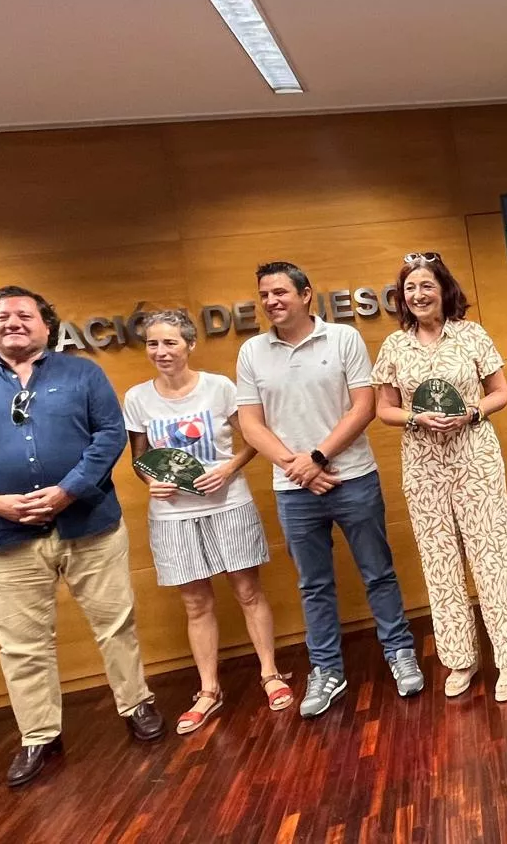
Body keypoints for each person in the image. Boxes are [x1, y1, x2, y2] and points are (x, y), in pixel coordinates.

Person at [0, 286, 163, 788]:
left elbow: (109, 436)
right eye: (1, 316)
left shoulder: (83, 374)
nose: (12, 322)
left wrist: (69, 490)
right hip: (4, 538)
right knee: (21, 646)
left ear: (46, 325)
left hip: (89, 527)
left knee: (116, 625)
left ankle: (136, 704)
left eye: (24, 314)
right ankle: (39, 735)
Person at [235, 261, 424, 717]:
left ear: (305, 295)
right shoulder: (252, 352)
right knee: (313, 585)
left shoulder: (343, 338)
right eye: (264, 295)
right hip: (293, 489)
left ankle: (400, 652)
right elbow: (250, 423)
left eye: (280, 292)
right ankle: (326, 670)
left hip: (353, 478)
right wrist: (297, 467)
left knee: (378, 572)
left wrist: (317, 457)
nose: (271, 301)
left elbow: (364, 407)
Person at [370, 253, 507, 702]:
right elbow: (384, 409)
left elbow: (500, 392)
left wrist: (472, 412)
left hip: (475, 457)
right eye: (410, 288)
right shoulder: (394, 346)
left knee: (492, 554)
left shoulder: (472, 335)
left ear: (444, 290)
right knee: (439, 560)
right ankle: (460, 659)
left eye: (426, 285)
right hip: (423, 465)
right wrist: (415, 418)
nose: (418, 295)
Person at [122, 309, 293, 734]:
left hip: (228, 504)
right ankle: (209, 690)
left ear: (190, 344)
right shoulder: (137, 398)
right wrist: (151, 481)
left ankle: (270, 673)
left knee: (248, 591)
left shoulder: (220, 387)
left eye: (170, 342)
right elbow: (139, 458)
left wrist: (228, 468)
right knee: (196, 604)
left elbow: (253, 439)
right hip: (173, 516)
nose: (161, 351)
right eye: (153, 344)